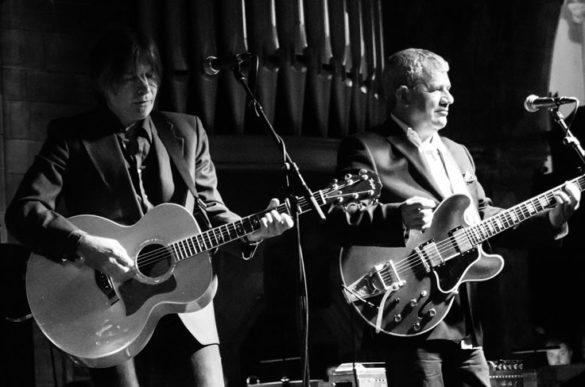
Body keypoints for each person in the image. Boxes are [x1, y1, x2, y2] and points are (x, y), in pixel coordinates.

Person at [5, 29, 293, 387]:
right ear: (105, 84)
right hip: (107, 307)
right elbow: (24, 210)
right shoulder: (71, 136)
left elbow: (213, 213)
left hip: (185, 297)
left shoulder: (187, 132)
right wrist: (84, 244)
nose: (145, 88)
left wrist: (252, 231)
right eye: (130, 78)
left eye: (150, 75)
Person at [326, 48, 581, 386]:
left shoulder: (457, 153)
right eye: (437, 89)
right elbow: (337, 216)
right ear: (404, 95)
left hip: (465, 323)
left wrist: (552, 217)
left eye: (449, 88)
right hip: (411, 316)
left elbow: (484, 218)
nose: (450, 97)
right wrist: (398, 216)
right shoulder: (367, 147)